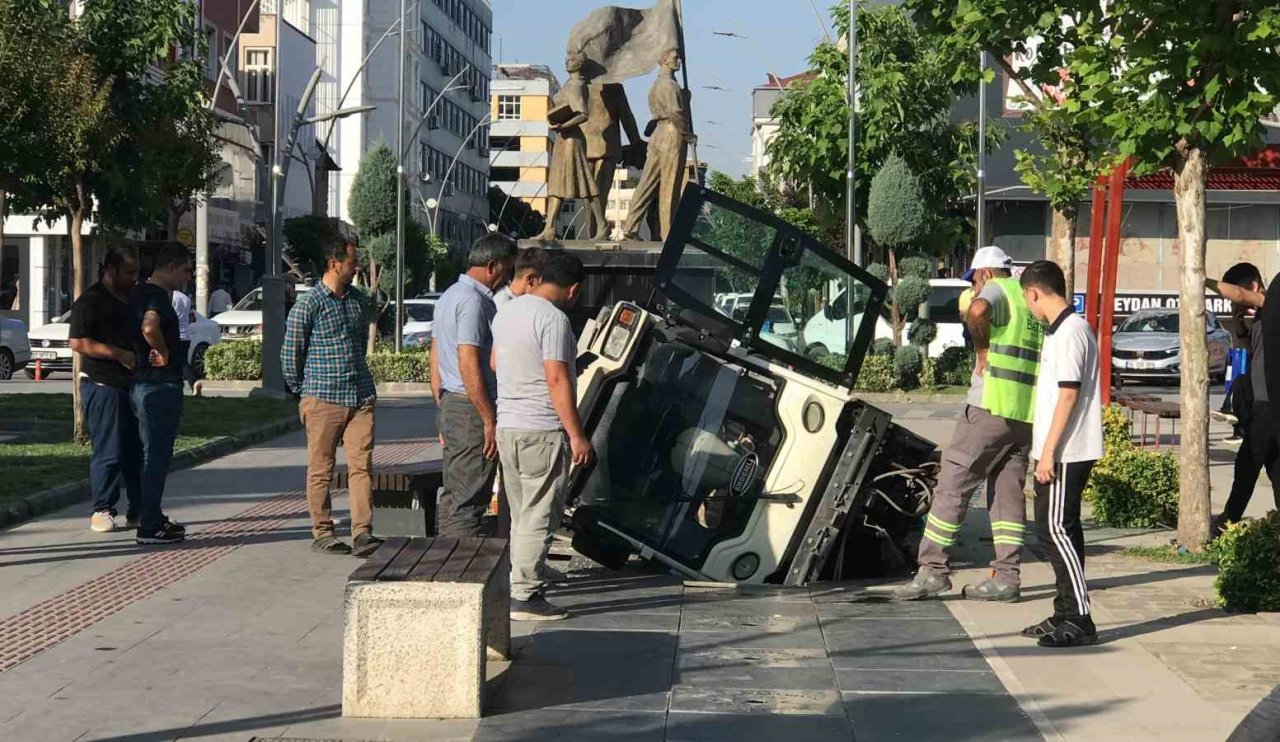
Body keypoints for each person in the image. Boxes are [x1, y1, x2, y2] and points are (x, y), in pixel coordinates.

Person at [894, 246, 1043, 602]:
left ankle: (932, 570)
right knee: (1008, 496)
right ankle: (1007, 577)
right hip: (1025, 413)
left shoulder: (998, 289)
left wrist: (981, 350)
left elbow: (978, 309)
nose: (973, 287)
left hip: (990, 406)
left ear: (986, 273)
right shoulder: (1029, 301)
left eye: (973, 279)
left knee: (954, 482)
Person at [492, 251, 593, 620]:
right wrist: (577, 434)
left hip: (509, 426)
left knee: (521, 510)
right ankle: (525, 594)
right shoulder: (554, 320)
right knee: (540, 512)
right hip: (541, 429)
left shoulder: (508, 311)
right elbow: (556, 378)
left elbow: (494, 362)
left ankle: (523, 573)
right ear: (574, 289)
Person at [1019, 260, 1104, 647]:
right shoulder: (1062, 331)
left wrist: (1048, 453)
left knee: (1054, 530)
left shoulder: (1071, 332)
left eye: (1027, 299)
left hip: (1067, 451)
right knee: (1062, 530)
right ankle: (1065, 611)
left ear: (1034, 292)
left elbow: (1068, 395)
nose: (1028, 307)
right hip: (1060, 449)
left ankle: (1081, 618)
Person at [281, 241, 381, 557]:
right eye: (353, 262)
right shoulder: (308, 305)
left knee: (361, 465)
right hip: (323, 397)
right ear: (334, 263)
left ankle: (363, 532)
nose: (357, 268)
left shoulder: (357, 301)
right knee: (321, 468)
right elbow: (290, 354)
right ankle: (323, 531)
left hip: (360, 397)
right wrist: (305, 393)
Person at [430, 233, 517, 536]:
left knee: (455, 493)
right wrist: (487, 419)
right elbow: (468, 361)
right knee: (468, 499)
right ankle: (458, 571)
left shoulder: (450, 295)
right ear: (492, 265)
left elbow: (436, 354)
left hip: (454, 403)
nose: (507, 280)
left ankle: (447, 562)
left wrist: (441, 405)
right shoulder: (473, 302)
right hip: (470, 408)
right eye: (507, 271)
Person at [70, 247, 141, 533]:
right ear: (110, 270)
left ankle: (139, 509)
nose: (134, 278)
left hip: (133, 385)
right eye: (129, 273)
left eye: (136, 272)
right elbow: (77, 342)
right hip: (102, 385)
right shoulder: (90, 301)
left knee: (136, 451)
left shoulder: (133, 298)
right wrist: (119, 354)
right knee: (109, 450)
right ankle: (102, 509)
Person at [130, 243, 193, 546]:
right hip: (159, 384)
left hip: (140, 381)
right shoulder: (156, 296)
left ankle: (147, 515)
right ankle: (150, 524)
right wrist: (164, 351)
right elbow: (149, 326)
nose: (186, 278)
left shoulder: (137, 292)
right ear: (169, 266)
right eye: (184, 271)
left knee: (147, 454)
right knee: (157, 455)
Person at [1207, 264, 1278, 533]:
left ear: (1255, 287)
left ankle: (1227, 523)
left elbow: (1241, 294)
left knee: (1247, 463)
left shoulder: (1271, 301)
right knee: (1274, 466)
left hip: (1268, 402)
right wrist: (1238, 323)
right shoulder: (1259, 316)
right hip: (1262, 400)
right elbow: (1252, 351)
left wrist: (1199, 278)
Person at [536, 50, 606, 242]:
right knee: (557, 184)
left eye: (573, 59)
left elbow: (583, 113)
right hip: (563, 139)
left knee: (584, 183)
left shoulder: (576, 85)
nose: (568, 62)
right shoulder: (569, 84)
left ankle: (601, 225)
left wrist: (562, 125)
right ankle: (549, 227)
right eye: (567, 59)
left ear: (580, 64)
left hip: (571, 140)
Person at [171, 287, 196, 388]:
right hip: (186, 335)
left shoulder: (171, 297)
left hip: (175, 335)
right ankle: (179, 384)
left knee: (179, 363)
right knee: (182, 361)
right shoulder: (186, 298)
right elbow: (191, 317)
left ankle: (193, 381)